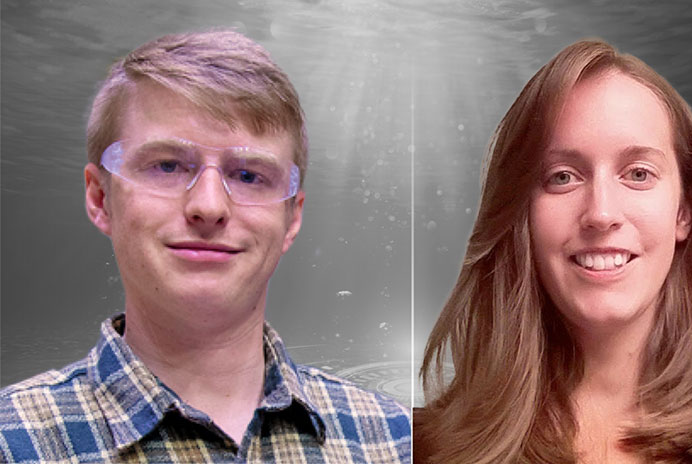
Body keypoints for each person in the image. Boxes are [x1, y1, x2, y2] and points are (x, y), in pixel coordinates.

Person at [0, 30, 410, 463]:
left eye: (249, 175)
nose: (209, 206)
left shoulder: (395, 439)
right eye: (167, 166)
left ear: (292, 219)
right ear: (101, 198)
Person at [414, 39, 692, 463]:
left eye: (639, 173)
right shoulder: (410, 449)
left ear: (684, 211)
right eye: (562, 177)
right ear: (519, 213)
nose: (601, 213)